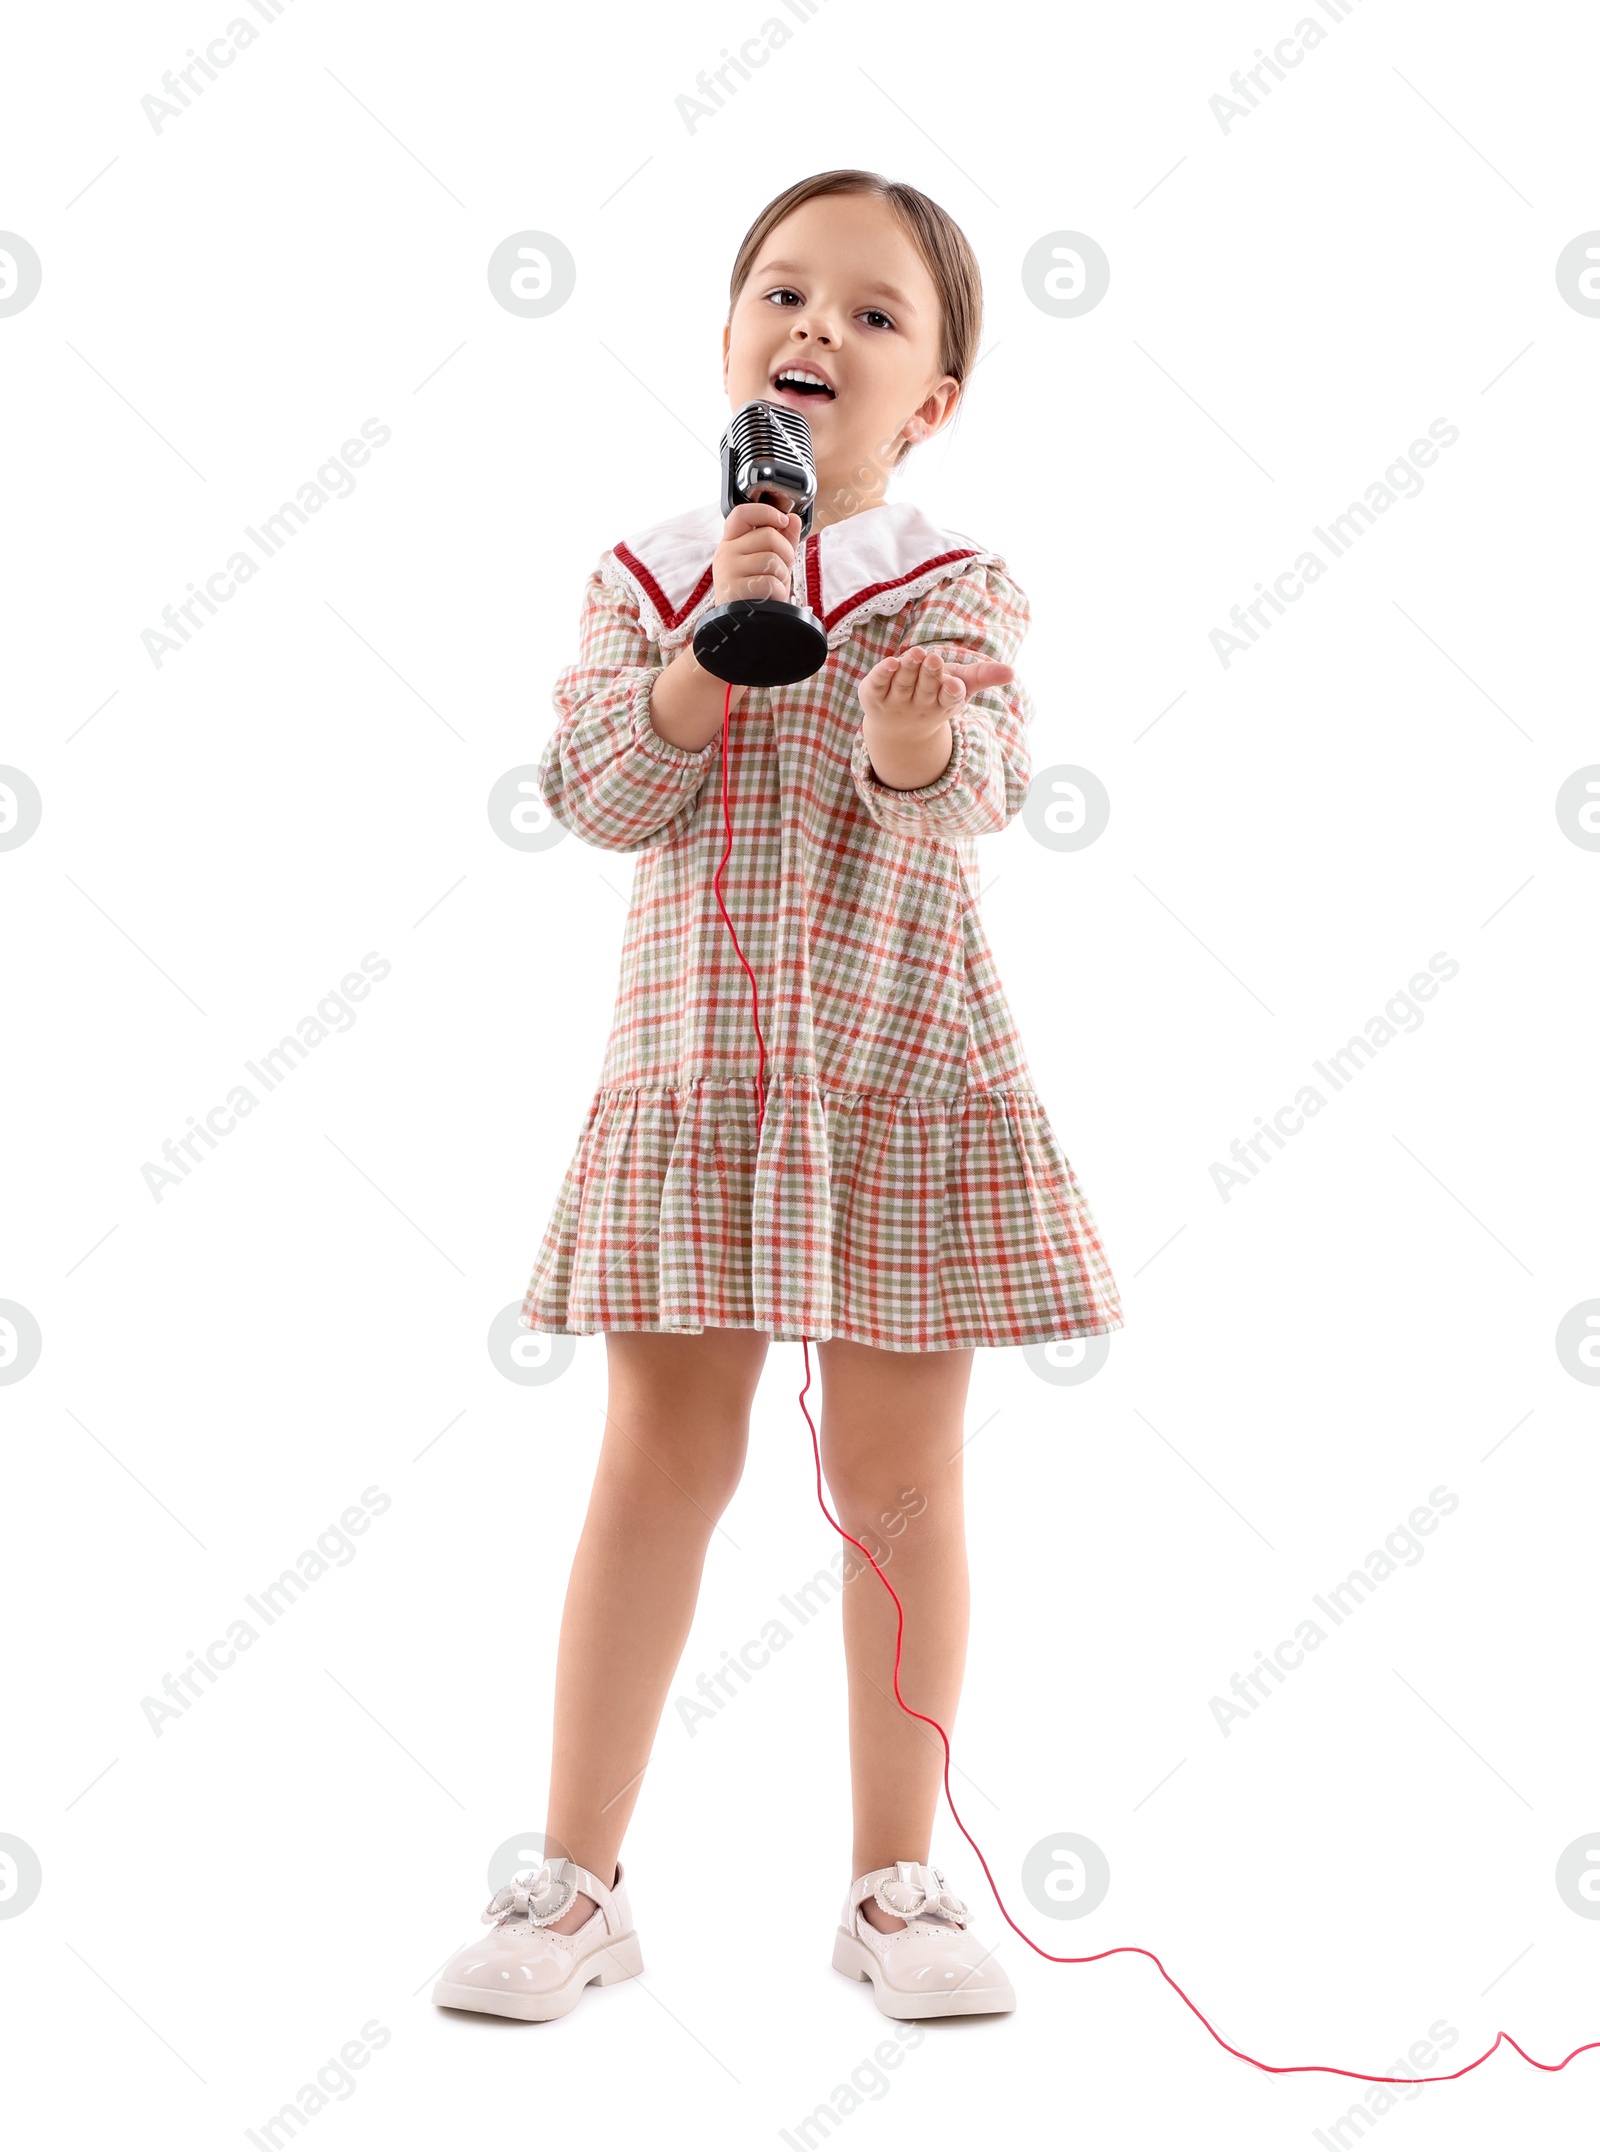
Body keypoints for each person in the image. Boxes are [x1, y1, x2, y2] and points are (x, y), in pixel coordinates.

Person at [433, 168, 1123, 2027]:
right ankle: (579, 1878)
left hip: (907, 1070)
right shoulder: (650, 571)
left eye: (876, 316)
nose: (819, 329)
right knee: (660, 1455)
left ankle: (895, 1885)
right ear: (734, 343)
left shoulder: (957, 586)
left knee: (900, 1480)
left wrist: (913, 742)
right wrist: (696, 664)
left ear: (934, 400)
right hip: (700, 1069)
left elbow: (979, 779)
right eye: (783, 297)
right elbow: (598, 795)